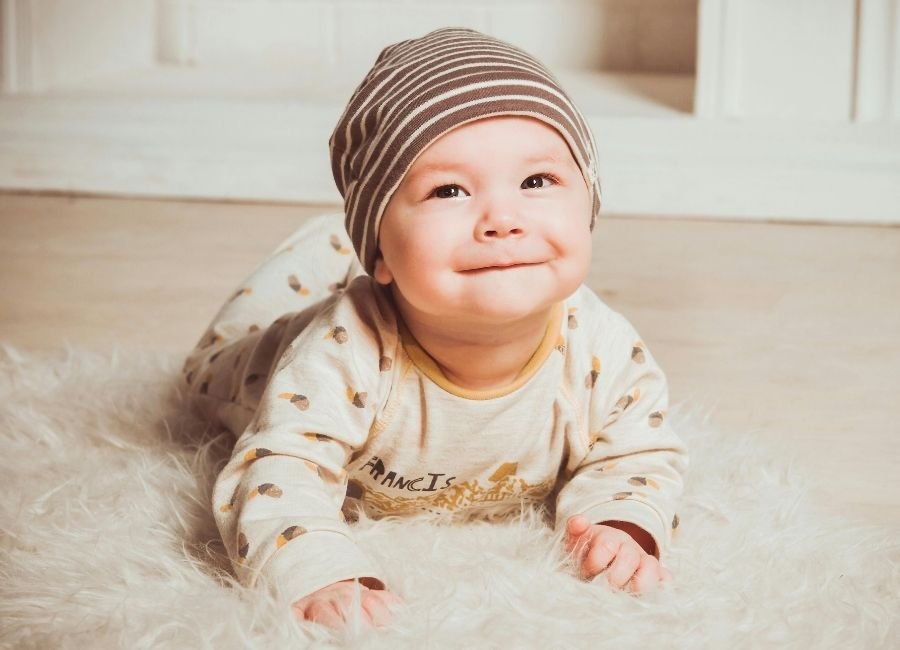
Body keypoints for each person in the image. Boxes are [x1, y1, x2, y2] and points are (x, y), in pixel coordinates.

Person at [182, 26, 688, 631]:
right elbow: (277, 469)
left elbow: (639, 450)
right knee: (217, 358)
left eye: (536, 182)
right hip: (257, 365)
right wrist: (321, 570)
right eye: (449, 190)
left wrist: (621, 521)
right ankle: (326, 247)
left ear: (589, 205)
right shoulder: (342, 348)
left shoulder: (600, 343)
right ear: (382, 254)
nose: (502, 219)